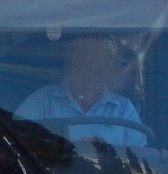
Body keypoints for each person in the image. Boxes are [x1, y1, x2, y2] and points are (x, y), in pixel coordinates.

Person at [15, 35, 147, 147]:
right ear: (71, 61)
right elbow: (14, 142)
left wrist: (105, 151)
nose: (90, 65)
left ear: (111, 67)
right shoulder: (42, 100)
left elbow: (140, 160)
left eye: (100, 58)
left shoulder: (124, 109)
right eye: (83, 56)